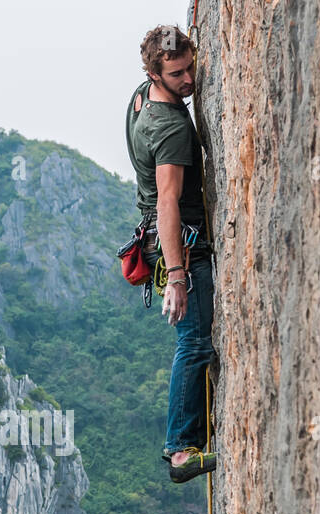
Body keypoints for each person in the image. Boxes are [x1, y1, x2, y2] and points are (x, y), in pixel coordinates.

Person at [126, 24, 217, 485]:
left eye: (191, 67)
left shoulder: (142, 98)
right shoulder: (171, 128)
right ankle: (181, 448)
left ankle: (185, 440)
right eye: (178, 74)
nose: (189, 80)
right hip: (184, 245)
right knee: (195, 342)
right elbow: (167, 200)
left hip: (157, 241)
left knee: (193, 341)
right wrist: (178, 276)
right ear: (154, 72)